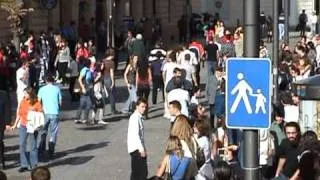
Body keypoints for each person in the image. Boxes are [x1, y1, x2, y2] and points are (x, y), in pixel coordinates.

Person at [10, 87, 42, 172]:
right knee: (22, 144)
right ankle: (24, 165)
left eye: (25, 94)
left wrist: (38, 125)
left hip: (32, 126)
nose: (24, 95)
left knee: (33, 146)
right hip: (23, 125)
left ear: (30, 94)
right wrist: (15, 124)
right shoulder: (23, 101)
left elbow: (40, 114)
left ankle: (34, 164)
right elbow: (19, 114)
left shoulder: (37, 102)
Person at [37, 75, 62, 158]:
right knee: (53, 132)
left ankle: (41, 148)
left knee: (43, 131)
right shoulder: (57, 89)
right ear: (53, 81)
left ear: (46, 81)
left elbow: (38, 101)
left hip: (45, 112)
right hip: (54, 112)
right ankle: (51, 149)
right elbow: (60, 101)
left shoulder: (42, 89)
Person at [127, 98, 148, 180]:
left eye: (145, 107)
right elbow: (136, 135)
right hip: (136, 149)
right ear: (137, 106)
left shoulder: (138, 117)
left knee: (138, 172)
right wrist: (141, 149)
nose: (144, 109)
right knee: (140, 173)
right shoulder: (135, 118)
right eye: (142, 107)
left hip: (137, 148)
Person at [101, 47, 120, 115]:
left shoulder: (103, 61)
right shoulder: (111, 63)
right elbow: (112, 73)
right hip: (109, 79)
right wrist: (113, 82)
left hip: (103, 79)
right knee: (112, 95)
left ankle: (102, 111)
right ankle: (113, 110)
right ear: (112, 55)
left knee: (103, 95)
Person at [75, 58, 94, 124]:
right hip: (85, 88)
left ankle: (78, 118)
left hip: (87, 88)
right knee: (89, 104)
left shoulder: (87, 70)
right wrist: (83, 88)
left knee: (82, 103)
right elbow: (80, 79)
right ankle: (85, 118)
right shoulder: (85, 70)